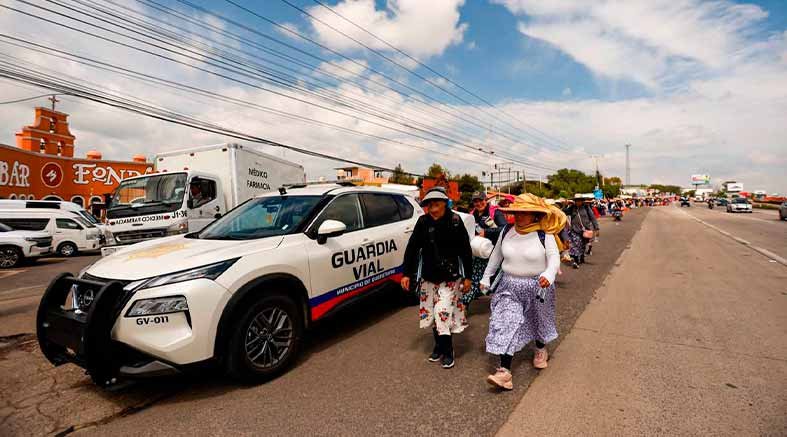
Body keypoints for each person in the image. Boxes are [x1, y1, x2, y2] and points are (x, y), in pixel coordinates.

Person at [480, 193, 565, 390]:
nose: (519, 216)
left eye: (524, 212)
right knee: (506, 322)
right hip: (509, 286)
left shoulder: (545, 235)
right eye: (516, 212)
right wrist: (486, 277)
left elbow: (554, 259)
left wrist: (549, 275)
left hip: (538, 286)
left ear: (535, 214)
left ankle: (541, 348)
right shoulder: (507, 231)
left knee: (538, 320)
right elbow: (496, 257)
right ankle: (504, 372)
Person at [401, 187, 473, 369]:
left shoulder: (455, 221)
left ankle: (448, 351)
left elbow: (465, 250)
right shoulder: (423, 222)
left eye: (437, 204)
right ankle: (439, 346)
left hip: (449, 278)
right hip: (428, 278)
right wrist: (406, 274)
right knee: (433, 315)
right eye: (429, 204)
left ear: (445, 204)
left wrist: (468, 277)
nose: (432, 208)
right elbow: (412, 249)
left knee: (442, 313)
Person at [463, 192, 509, 307]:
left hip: (495, 252)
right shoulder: (472, 215)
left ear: (486, 200)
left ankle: (503, 303)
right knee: (475, 277)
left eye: (481, 200)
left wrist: (487, 233)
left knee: (496, 278)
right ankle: (464, 303)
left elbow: (504, 228)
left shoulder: (495, 212)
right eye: (475, 201)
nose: (478, 203)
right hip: (478, 252)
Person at [565, 194, 599, 268]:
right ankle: (576, 260)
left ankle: (582, 256)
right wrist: (565, 205)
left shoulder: (587, 208)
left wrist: (596, 228)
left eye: (579, 200)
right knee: (576, 244)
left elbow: (593, 218)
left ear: (582, 201)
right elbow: (564, 212)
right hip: (575, 230)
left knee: (583, 245)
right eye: (576, 200)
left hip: (585, 230)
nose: (578, 202)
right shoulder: (571, 208)